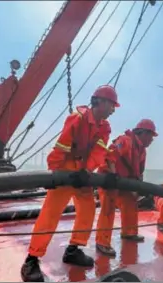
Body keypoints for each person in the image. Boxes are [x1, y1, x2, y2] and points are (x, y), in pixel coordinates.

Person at [20, 85, 120, 282]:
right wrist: (54, 174)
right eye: (111, 105)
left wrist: (86, 170)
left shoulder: (105, 127)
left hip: (82, 173)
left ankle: (73, 250)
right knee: (51, 213)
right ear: (100, 102)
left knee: (88, 209)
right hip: (65, 169)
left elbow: (99, 151)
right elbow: (62, 146)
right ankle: (32, 259)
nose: (113, 110)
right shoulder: (77, 118)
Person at [95, 119, 158, 257]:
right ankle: (102, 242)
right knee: (108, 208)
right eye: (151, 136)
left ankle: (129, 233)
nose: (152, 140)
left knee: (131, 203)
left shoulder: (142, 151)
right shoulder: (125, 140)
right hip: (109, 179)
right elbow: (110, 155)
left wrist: (137, 188)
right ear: (143, 133)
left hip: (125, 183)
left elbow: (139, 172)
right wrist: (112, 175)